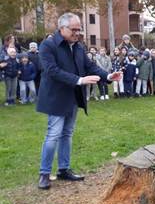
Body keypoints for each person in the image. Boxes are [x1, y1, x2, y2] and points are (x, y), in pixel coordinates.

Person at [36, 13, 122, 190]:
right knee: (53, 134)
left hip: (73, 97)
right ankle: (44, 173)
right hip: (56, 97)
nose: (78, 33)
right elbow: (52, 71)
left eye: (79, 29)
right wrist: (79, 80)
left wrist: (108, 76)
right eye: (74, 29)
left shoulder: (78, 47)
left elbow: (90, 66)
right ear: (62, 28)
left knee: (67, 134)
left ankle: (63, 169)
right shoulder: (48, 45)